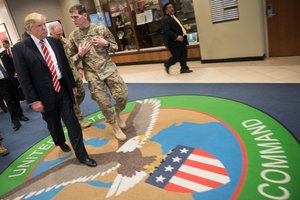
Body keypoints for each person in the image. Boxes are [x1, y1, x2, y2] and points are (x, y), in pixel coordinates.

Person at [13, 12, 97, 167]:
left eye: (44, 24)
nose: (44, 28)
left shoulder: (54, 42)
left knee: (73, 123)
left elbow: (65, 66)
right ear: (30, 29)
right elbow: (24, 78)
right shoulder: (20, 48)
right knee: (54, 125)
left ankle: (82, 155)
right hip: (43, 96)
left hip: (63, 90)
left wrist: (72, 85)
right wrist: (33, 100)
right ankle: (59, 141)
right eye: (40, 26)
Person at [68, 4, 128, 141]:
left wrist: (105, 43)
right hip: (92, 74)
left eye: (75, 17)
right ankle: (114, 126)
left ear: (84, 15)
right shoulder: (73, 37)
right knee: (103, 102)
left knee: (122, 95)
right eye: (71, 18)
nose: (73, 20)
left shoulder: (100, 29)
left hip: (109, 68)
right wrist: (80, 54)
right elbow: (70, 60)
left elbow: (115, 47)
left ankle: (117, 112)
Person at [48, 21, 91, 129]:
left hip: (74, 74)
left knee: (81, 93)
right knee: (73, 98)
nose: (60, 36)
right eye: (58, 34)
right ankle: (79, 118)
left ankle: (71, 109)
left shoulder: (65, 41)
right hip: (66, 77)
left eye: (61, 33)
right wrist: (79, 55)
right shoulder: (50, 46)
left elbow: (72, 54)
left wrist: (79, 68)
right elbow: (66, 61)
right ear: (51, 33)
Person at [161, 2, 193, 74]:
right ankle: (167, 64)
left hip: (181, 39)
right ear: (166, 10)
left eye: (172, 7)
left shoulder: (173, 17)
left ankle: (184, 68)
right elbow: (166, 30)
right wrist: (176, 37)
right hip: (173, 42)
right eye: (169, 8)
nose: (172, 9)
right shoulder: (166, 19)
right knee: (177, 56)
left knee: (184, 54)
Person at [0, 55, 29, 131]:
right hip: (1, 84)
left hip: (12, 80)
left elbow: (14, 64)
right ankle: (15, 121)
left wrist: (16, 72)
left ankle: (20, 115)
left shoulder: (4, 56)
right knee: (9, 102)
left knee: (16, 98)